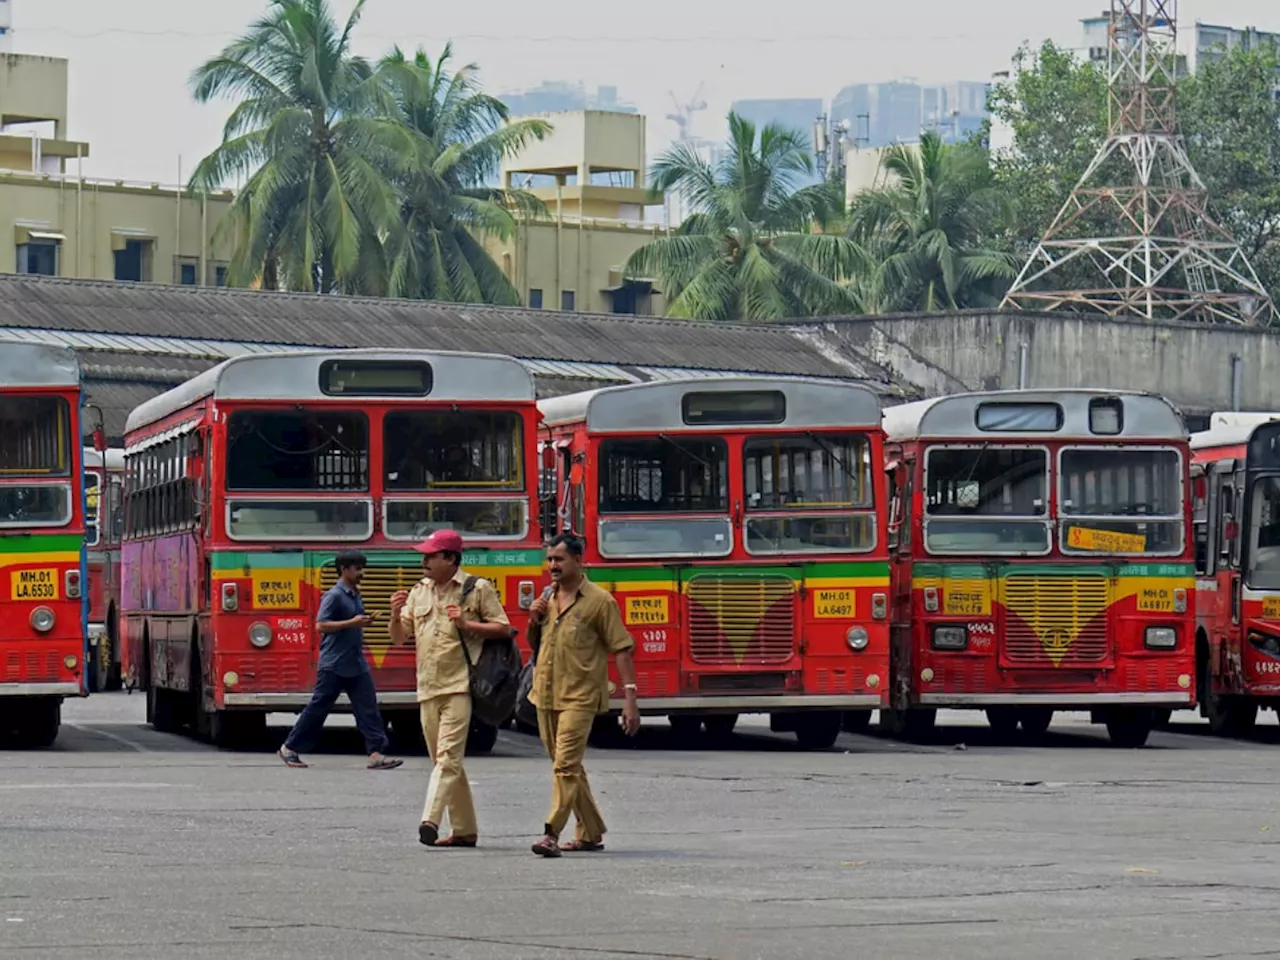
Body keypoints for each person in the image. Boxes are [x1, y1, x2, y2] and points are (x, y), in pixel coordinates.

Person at [389, 529, 511, 848]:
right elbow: (400, 637)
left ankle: (429, 819)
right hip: (427, 686)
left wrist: (468, 625)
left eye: (431, 555)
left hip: (460, 685)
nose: (424, 560)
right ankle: (464, 830)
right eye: (424, 555)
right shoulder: (418, 592)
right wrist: (393, 612)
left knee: (447, 758)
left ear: (450, 559)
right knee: (444, 763)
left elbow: (503, 628)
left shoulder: (477, 588)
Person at [528, 533, 640, 858]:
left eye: (559, 559)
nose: (553, 566)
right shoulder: (547, 597)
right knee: (567, 766)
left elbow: (621, 649)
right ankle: (590, 832)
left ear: (578, 560)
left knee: (565, 766)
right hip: (545, 694)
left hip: (581, 696)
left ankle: (550, 833)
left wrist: (630, 699)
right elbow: (536, 646)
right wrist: (534, 619)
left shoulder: (599, 601)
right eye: (550, 560)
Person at [278, 551, 403, 771]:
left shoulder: (355, 593)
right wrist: (351, 622)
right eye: (357, 569)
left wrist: (363, 622)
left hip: (355, 662)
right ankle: (289, 748)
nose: (361, 573)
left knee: (368, 708)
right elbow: (321, 625)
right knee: (318, 708)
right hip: (334, 663)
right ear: (344, 569)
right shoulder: (334, 595)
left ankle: (376, 753)